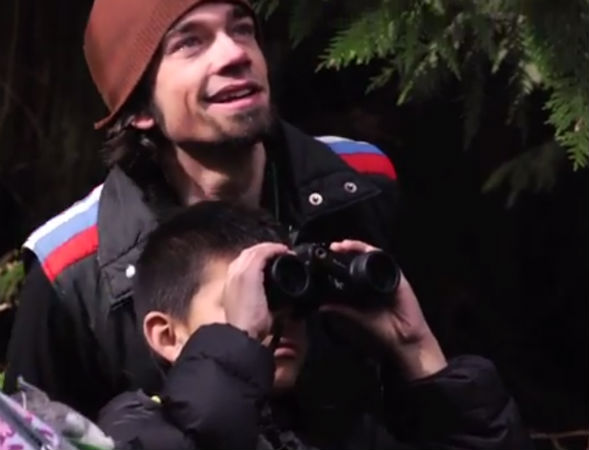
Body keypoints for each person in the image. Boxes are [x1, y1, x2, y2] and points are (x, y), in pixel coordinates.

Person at [4, 0, 400, 419]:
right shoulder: (71, 271)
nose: (235, 54)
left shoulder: (360, 180)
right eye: (190, 43)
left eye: (242, 29)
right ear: (139, 108)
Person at [98, 201, 533, 450]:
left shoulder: (338, 432)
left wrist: (416, 347)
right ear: (167, 335)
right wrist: (241, 340)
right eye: (249, 296)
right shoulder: (129, 431)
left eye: (286, 297)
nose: (279, 318)